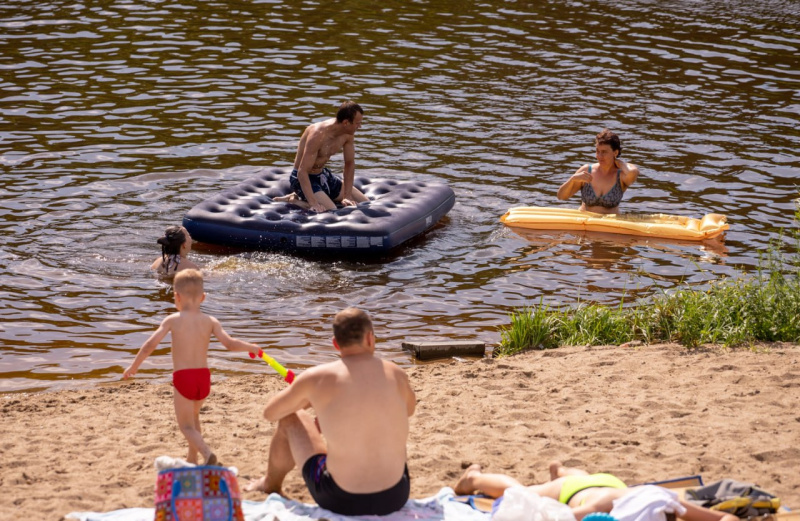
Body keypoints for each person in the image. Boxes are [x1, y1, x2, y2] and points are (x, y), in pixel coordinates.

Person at [244, 308, 416, 517]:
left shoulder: (318, 377)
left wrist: (306, 400)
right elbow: (409, 410)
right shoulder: (396, 373)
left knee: (291, 417)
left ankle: (269, 484)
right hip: (395, 495)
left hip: (341, 498)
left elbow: (270, 413)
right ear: (371, 338)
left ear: (335, 343)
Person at [123, 269, 260, 465]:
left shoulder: (172, 320)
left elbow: (149, 345)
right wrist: (251, 347)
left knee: (185, 426)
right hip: (203, 379)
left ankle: (206, 452)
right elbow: (229, 344)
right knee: (194, 418)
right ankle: (192, 457)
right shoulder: (211, 321)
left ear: (176, 297)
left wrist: (134, 366)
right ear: (203, 297)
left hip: (184, 378)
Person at [454, 461, 738, 521]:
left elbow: (727, 519)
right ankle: (475, 478)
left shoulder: (660, 499)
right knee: (520, 492)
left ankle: (561, 469)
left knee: (584, 479)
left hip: (608, 482)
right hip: (573, 491)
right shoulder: (602, 509)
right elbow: (555, 518)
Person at [276, 101, 370, 213]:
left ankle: (314, 196)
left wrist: (347, 196)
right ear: (346, 122)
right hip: (302, 178)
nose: (360, 126)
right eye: (357, 123)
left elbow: (349, 163)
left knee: (365, 203)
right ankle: (294, 201)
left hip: (322, 175)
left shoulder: (348, 135)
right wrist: (313, 203)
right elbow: (302, 171)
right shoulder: (318, 135)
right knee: (331, 210)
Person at [557, 129, 640, 214]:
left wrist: (621, 163)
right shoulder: (587, 170)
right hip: (584, 222)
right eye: (597, 151)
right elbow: (561, 196)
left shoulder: (621, 175)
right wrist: (572, 179)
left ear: (615, 152)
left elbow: (633, 172)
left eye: (604, 152)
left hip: (610, 224)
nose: (599, 156)